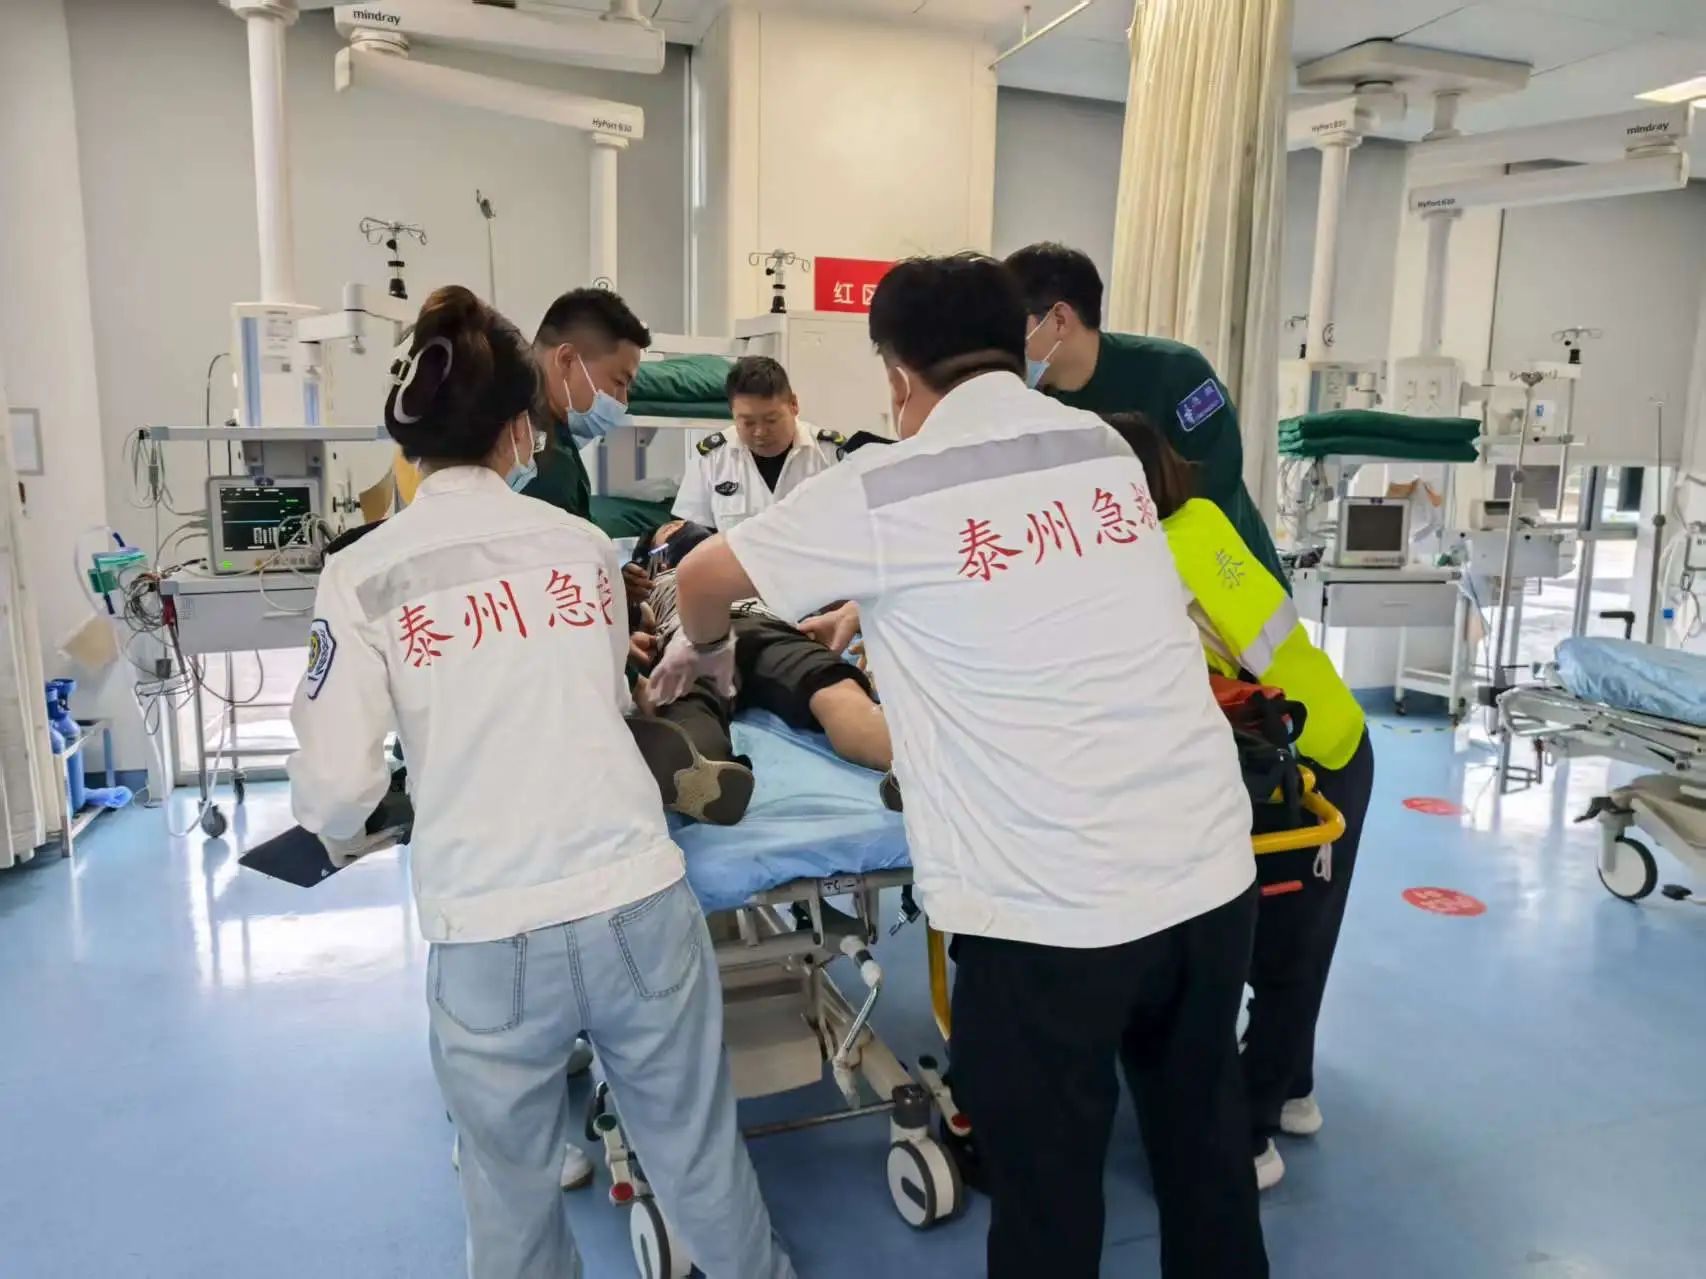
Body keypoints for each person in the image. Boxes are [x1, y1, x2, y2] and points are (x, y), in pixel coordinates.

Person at [651, 253, 1268, 1279]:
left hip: (1047, 912)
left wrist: (708, 651)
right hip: (1207, 872)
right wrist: (872, 607)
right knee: (1205, 1160)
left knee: (1047, 1199)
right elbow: (1041, 588)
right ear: (1020, 343)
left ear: (897, 375)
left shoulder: (884, 482)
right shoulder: (1101, 449)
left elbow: (703, 574)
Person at [286, 285, 795, 1279]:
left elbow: (338, 791)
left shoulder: (362, 574)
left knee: (510, 1199)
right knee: (701, 1163)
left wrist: (354, 810)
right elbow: (604, 696)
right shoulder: (579, 548)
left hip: (488, 925)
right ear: (519, 428)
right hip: (636, 897)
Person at [1104, 410, 1375, 1193]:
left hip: (1298, 758)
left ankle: (1248, 1133)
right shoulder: (1198, 518)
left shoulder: (1157, 559)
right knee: (1305, 937)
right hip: (1328, 733)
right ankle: (1293, 1089)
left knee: (1277, 948)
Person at [1004, 241, 1289, 590]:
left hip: (1226, 582)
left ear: (1059, 320)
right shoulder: (1032, 403)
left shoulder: (1176, 372)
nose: (1002, 344)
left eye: (1010, 328)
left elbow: (1216, 476)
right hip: (1128, 589)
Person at [630, 519, 893, 819]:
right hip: (692, 636)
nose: (681, 525)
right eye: (669, 529)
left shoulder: (748, 564)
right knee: (687, 703)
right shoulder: (648, 586)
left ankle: (903, 761)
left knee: (834, 688)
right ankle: (702, 776)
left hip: (765, 629)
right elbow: (627, 626)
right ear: (653, 562)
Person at [673, 355, 844, 532]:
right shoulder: (712, 459)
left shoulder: (832, 456)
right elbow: (691, 535)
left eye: (771, 420)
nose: (760, 432)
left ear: (793, 405)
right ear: (732, 413)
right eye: (748, 423)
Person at [526, 286, 651, 521]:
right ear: (566, 360)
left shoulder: (552, 438)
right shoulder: (536, 459)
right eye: (619, 382)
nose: (623, 402)